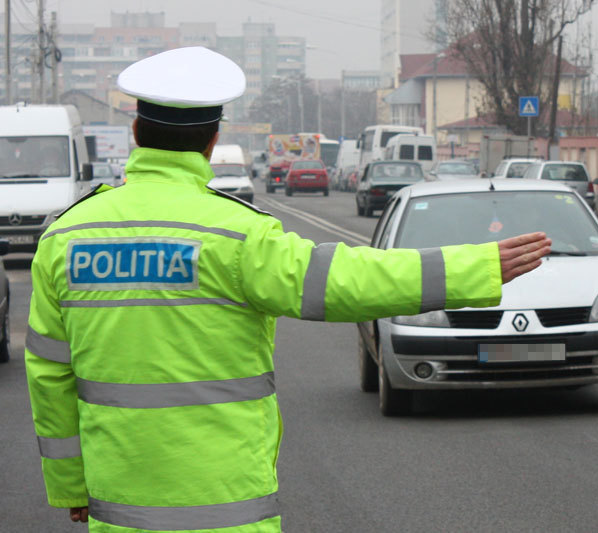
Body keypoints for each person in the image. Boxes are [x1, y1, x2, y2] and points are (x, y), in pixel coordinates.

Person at [24, 47, 551, 533]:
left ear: (136, 132)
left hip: (120, 512)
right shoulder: (238, 235)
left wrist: (71, 485)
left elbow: (49, 375)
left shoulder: (66, 235)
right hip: (226, 510)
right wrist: (472, 268)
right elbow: (349, 281)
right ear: (212, 140)